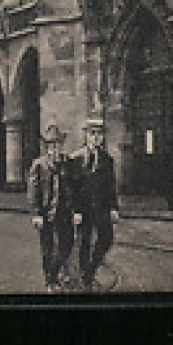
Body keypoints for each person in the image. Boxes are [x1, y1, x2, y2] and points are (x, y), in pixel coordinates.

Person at [25, 124, 79, 290]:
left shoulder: (69, 163)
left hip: (65, 213)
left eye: (58, 145)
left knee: (67, 244)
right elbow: (33, 192)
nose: (55, 149)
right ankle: (50, 281)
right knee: (47, 248)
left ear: (61, 146)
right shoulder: (39, 165)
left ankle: (55, 274)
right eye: (51, 145)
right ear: (46, 147)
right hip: (46, 213)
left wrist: (76, 211)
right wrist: (36, 214)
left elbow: (76, 189)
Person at [71, 117, 120, 290]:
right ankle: (85, 276)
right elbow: (72, 188)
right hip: (83, 209)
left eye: (99, 134)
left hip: (102, 208)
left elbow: (111, 186)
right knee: (84, 242)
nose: (96, 137)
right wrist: (75, 211)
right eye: (92, 133)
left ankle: (90, 270)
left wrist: (114, 208)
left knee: (106, 239)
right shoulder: (75, 159)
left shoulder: (107, 159)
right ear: (86, 136)